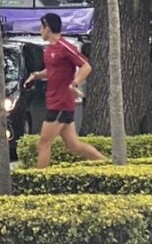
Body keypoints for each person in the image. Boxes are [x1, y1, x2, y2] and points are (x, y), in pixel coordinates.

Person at [25, 12, 106, 169]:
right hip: (55, 100)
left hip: (61, 102)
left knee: (43, 144)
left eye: (41, 27)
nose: (39, 31)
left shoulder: (65, 47)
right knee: (73, 145)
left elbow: (86, 66)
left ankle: (38, 179)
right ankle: (106, 163)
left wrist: (74, 83)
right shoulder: (49, 49)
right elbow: (52, 71)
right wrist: (35, 76)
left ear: (48, 28)